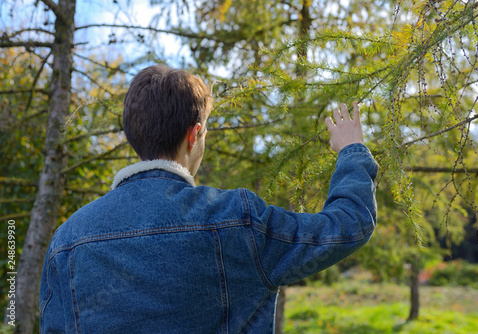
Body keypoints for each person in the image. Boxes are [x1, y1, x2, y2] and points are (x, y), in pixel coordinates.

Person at [39, 65, 378, 333]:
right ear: (194, 134)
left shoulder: (67, 241)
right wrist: (351, 151)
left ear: (134, 134)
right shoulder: (237, 220)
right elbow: (348, 226)